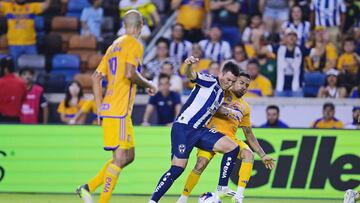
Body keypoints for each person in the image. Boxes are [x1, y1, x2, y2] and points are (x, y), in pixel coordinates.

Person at [76, 10, 157, 203]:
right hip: (119, 110)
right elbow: (130, 73)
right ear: (141, 26)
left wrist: (99, 108)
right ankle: (102, 200)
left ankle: (87, 188)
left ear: (124, 24)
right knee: (120, 159)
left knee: (129, 156)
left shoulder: (114, 46)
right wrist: (149, 84)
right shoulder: (135, 44)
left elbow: (96, 77)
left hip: (113, 109)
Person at [148, 57, 242, 203]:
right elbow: (191, 75)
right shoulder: (210, 80)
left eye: (232, 82)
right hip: (184, 128)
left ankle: (222, 187)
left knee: (232, 147)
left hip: (200, 130)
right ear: (221, 74)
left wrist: (229, 111)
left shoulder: (221, 93)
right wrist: (188, 65)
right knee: (178, 168)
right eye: (228, 79)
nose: (229, 84)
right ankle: (153, 201)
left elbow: (214, 107)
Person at [176, 72, 275, 203]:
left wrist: (263, 155)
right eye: (241, 83)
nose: (244, 87)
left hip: (229, 139)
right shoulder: (221, 93)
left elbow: (248, 133)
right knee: (200, 165)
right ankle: (183, 198)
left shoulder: (245, 107)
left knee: (248, 155)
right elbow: (209, 107)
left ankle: (239, 196)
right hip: (210, 134)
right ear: (234, 82)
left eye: (247, 85)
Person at [0, 0, 51, 67]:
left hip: (30, 44)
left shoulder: (32, 7)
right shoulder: (8, 7)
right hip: (14, 45)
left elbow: (46, 5)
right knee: (14, 69)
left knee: (34, 68)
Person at [266, 28, 303, 97]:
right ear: (285, 38)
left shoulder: (301, 49)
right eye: (289, 35)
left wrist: (323, 41)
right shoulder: (278, 48)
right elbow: (260, 50)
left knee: (299, 108)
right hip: (280, 89)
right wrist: (257, 38)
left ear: (297, 38)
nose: (292, 37)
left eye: (294, 35)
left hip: (297, 89)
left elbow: (318, 52)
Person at [0, 56, 26, 123]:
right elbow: (23, 99)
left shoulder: (1, 82)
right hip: (16, 120)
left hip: (2, 119)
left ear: (5, 69)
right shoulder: (21, 83)